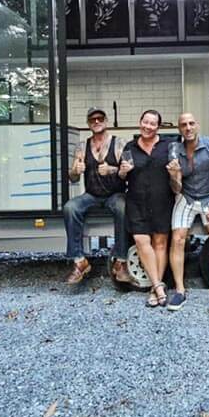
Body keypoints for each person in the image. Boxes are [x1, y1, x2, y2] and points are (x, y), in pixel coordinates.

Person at [165, 112, 209, 314]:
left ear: (197, 125)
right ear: (179, 129)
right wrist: (174, 175)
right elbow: (176, 189)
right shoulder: (175, 149)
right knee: (177, 239)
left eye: (191, 123)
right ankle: (180, 290)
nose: (188, 128)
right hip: (187, 197)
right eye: (183, 125)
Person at [63, 107, 131, 286]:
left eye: (100, 118)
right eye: (92, 119)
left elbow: (129, 172)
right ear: (88, 124)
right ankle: (79, 261)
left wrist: (112, 170)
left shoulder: (118, 143)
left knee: (123, 207)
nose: (96, 121)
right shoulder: (81, 146)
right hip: (91, 195)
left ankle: (121, 261)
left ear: (106, 121)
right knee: (70, 207)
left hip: (114, 195)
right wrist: (75, 171)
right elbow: (72, 177)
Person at [117, 108, 175, 308]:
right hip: (136, 202)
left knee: (160, 243)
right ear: (139, 122)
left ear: (158, 127)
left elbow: (178, 167)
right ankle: (159, 286)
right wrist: (123, 172)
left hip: (162, 201)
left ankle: (153, 289)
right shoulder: (130, 147)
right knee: (142, 242)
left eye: (152, 123)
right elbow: (121, 175)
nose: (147, 126)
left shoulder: (168, 146)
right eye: (145, 122)